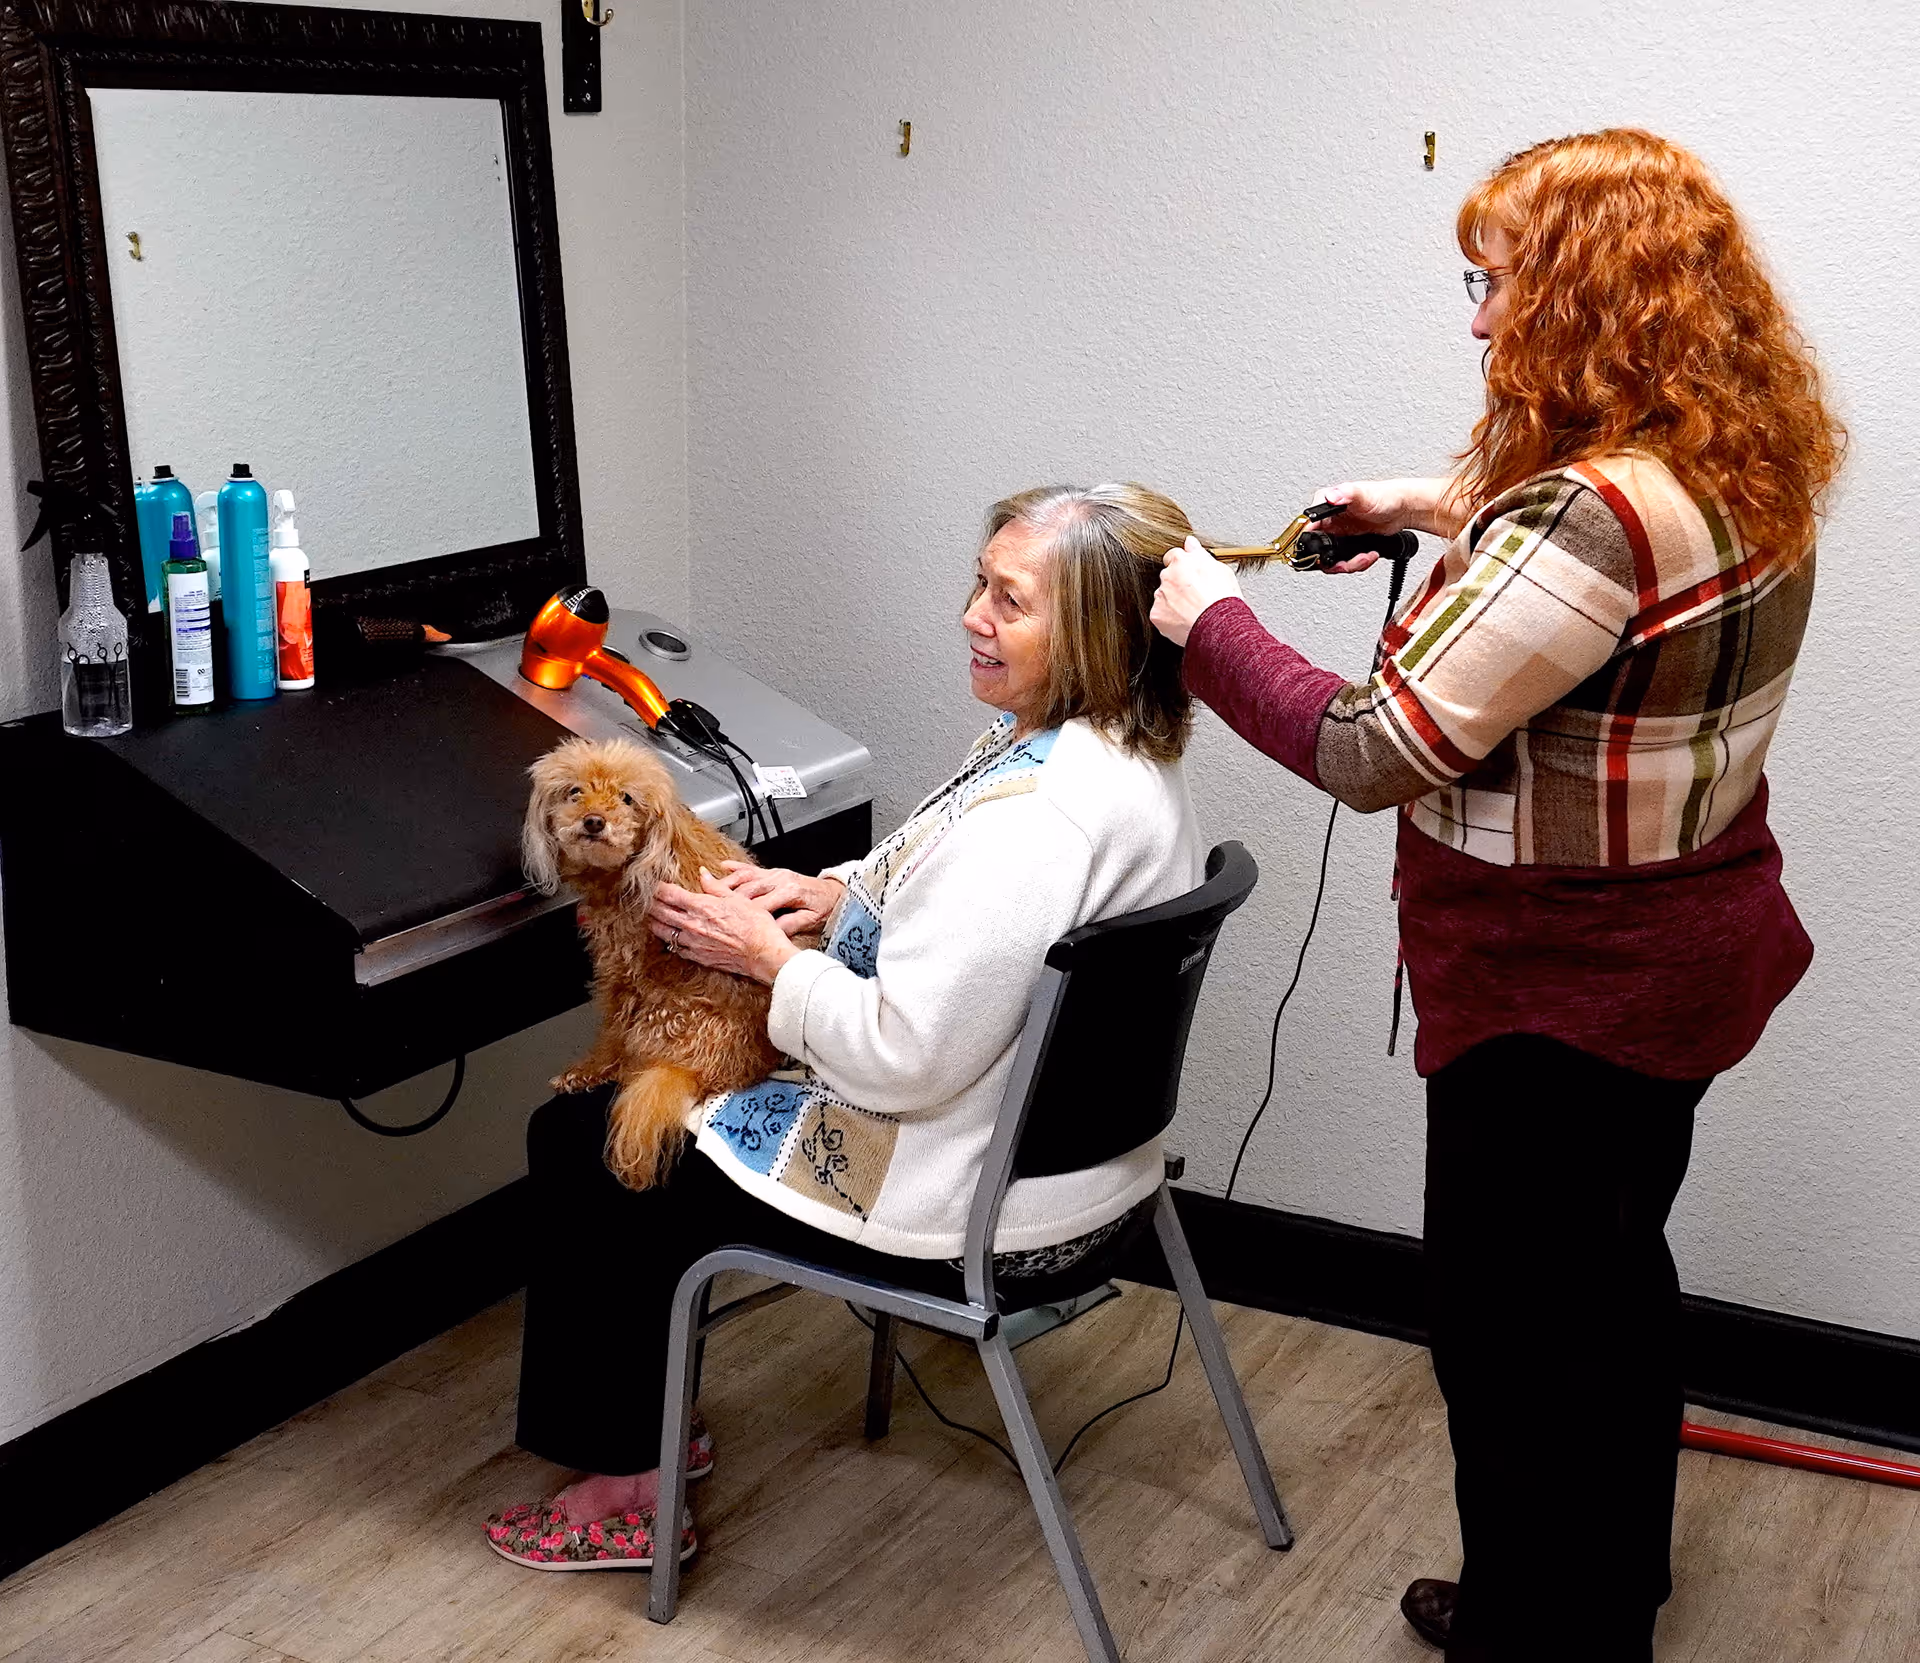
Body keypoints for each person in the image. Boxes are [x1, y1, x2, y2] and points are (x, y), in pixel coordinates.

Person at [1149, 130, 1841, 1662]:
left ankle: (1546, 1629)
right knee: (1612, 1289)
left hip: (1559, 995)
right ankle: (1600, 1589)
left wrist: (1214, 622)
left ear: (1590, 296)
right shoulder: (1739, 463)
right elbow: (1604, 580)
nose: (1475, 319)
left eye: (1495, 280)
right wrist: (1430, 509)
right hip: (1680, 960)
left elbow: (1373, 745)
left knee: (1517, 1336)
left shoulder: (1583, 517)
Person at [485, 483, 1210, 1571]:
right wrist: (833, 898)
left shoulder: (1040, 818)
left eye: (1009, 601)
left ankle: (636, 1481)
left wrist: (764, 958)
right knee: (613, 1125)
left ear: (1100, 633)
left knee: (589, 1146)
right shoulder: (1103, 757)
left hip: (964, 1189)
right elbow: (943, 896)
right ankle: (652, 1415)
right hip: (1095, 1175)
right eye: (980, 583)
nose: (973, 614)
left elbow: (902, 1055)